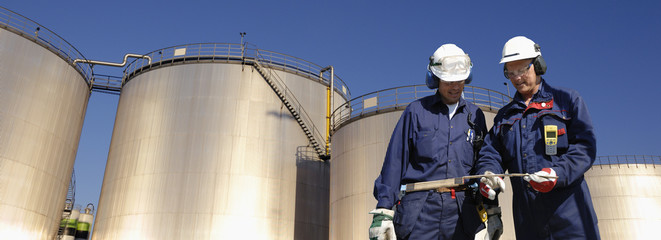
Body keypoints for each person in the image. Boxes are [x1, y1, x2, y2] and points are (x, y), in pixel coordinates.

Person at [369, 44, 502, 240]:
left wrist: (493, 210)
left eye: (460, 80)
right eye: (449, 81)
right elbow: (394, 162)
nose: (455, 87)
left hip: (462, 214)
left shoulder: (475, 116)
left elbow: (482, 164)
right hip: (420, 214)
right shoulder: (416, 112)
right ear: (435, 79)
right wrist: (383, 210)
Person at [476, 36, 600, 239]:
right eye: (510, 72)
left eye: (523, 69)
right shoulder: (504, 117)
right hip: (529, 224)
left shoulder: (567, 101)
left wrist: (558, 173)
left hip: (571, 220)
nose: (517, 78)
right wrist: (488, 173)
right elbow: (491, 153)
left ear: (538, 65)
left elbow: (585, 148)